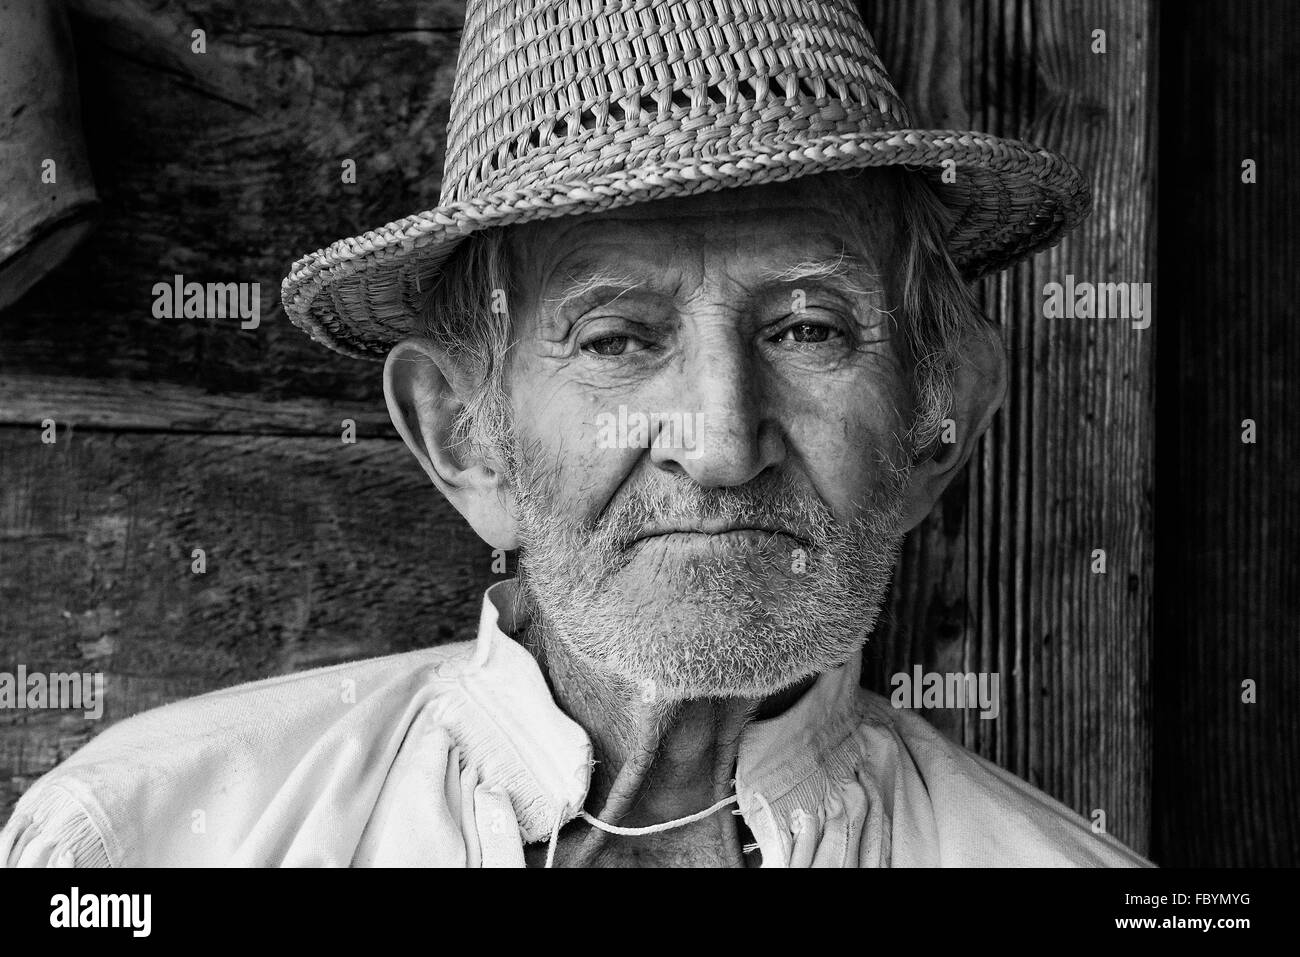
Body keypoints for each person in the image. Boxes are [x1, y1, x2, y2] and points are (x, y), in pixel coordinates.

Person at [1, 0, 1149, 867]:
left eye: (805, 329)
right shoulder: (138, 843)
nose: (716, 442)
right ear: (466, 443)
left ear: (935, 429)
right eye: (615, 339)